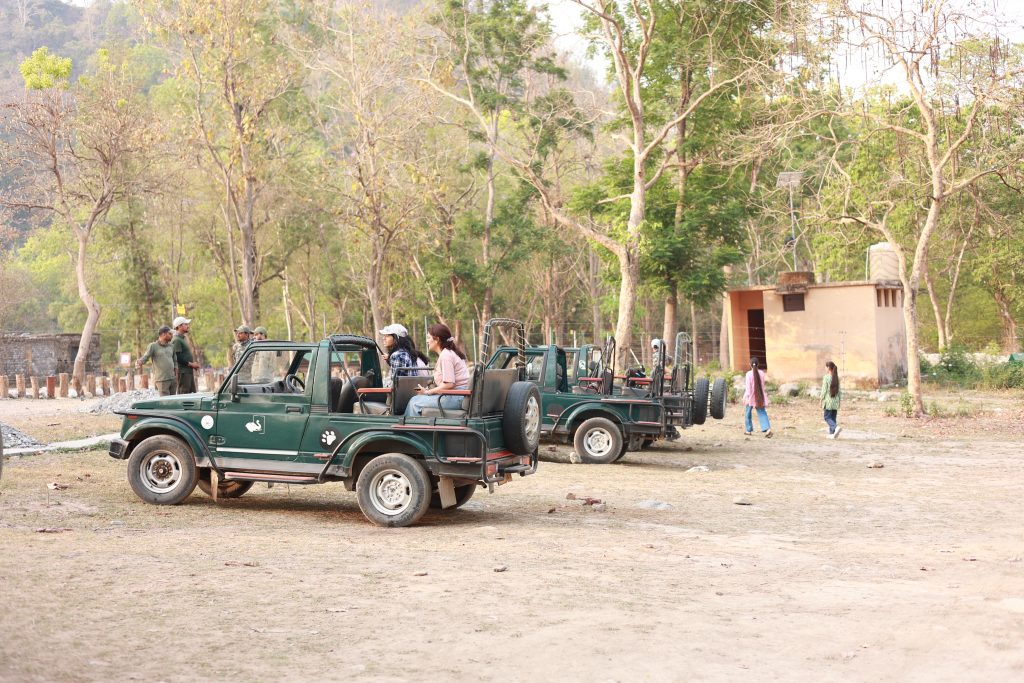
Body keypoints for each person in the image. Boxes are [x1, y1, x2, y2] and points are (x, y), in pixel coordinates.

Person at [404, 323, 470, 417]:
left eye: (428, 338)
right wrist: (428, 390)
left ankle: (410, 430)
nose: (427, 341)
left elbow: (449, 384)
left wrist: (428, 392)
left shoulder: (446, 355)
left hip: (456, 397)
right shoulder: (449, 353)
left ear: (437, 339)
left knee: (414, 402)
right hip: (457, 395)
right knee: (417, 398)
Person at [137, 325, 177, 396]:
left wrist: (176, 371)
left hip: (172, 379)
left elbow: (175, 360)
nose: (172, 336)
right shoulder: (153, 346)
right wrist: (140, 362)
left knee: (173, 401)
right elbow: (146, 356)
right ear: (163, 334)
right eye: (170, 334)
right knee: (165, 403)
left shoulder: (171, 346)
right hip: (162, 380)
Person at [743, 357, 772, 438]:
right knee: (762, 412)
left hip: (751, 397)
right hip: (760, 396)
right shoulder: (762, 373)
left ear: (750, 365)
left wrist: (746, 396)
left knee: (748, 413)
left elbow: (748, 388)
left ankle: (748, 430)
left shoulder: (748, 374)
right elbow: (762, 385)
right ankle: (767, 429)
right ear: (758, 364)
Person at [171, 316, 200, 394]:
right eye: (186, 324)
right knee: (184, 394)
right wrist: (192, 364)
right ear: (179, 326)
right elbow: (178, 357)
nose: (188, 326)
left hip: (188, 371)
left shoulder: (182, 339)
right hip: (183, 372)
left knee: (191, 394)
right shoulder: (176, 340)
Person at [821, 360, 842, 439]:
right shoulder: (836, 377)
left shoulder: (826, 377)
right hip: (835, 401)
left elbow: (824, 390)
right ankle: (832, 434)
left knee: (827, 417)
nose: (825, 368)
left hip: (829, 401)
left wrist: (821, 399)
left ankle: (836, 427)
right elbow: (839, 391)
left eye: (826, 367)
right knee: (833, 418)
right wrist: (839, 401)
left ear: (828, 368)